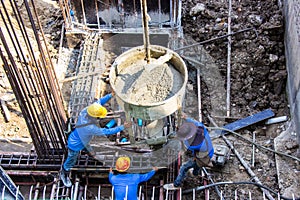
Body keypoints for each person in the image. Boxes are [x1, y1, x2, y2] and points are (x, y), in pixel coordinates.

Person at [60, 92, 131, 187]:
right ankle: (64, 172)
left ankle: (91, 153)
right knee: (71, 160)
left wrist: (110, 95)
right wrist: (122, 127)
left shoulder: (86, 111)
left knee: (91, 151)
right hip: (75, 145)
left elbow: (99, 102)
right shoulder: (90, 128)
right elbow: (106, 131)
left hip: (82, 139)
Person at [164, 112, 214, 190]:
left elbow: (185, 147)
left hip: (202, 158)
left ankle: (176, 185)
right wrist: (186, 118)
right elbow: (194, 123)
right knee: (197, 165)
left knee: (184, 167)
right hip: (210, 151)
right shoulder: (200, 128)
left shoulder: (193, 144)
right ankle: (195, 174)